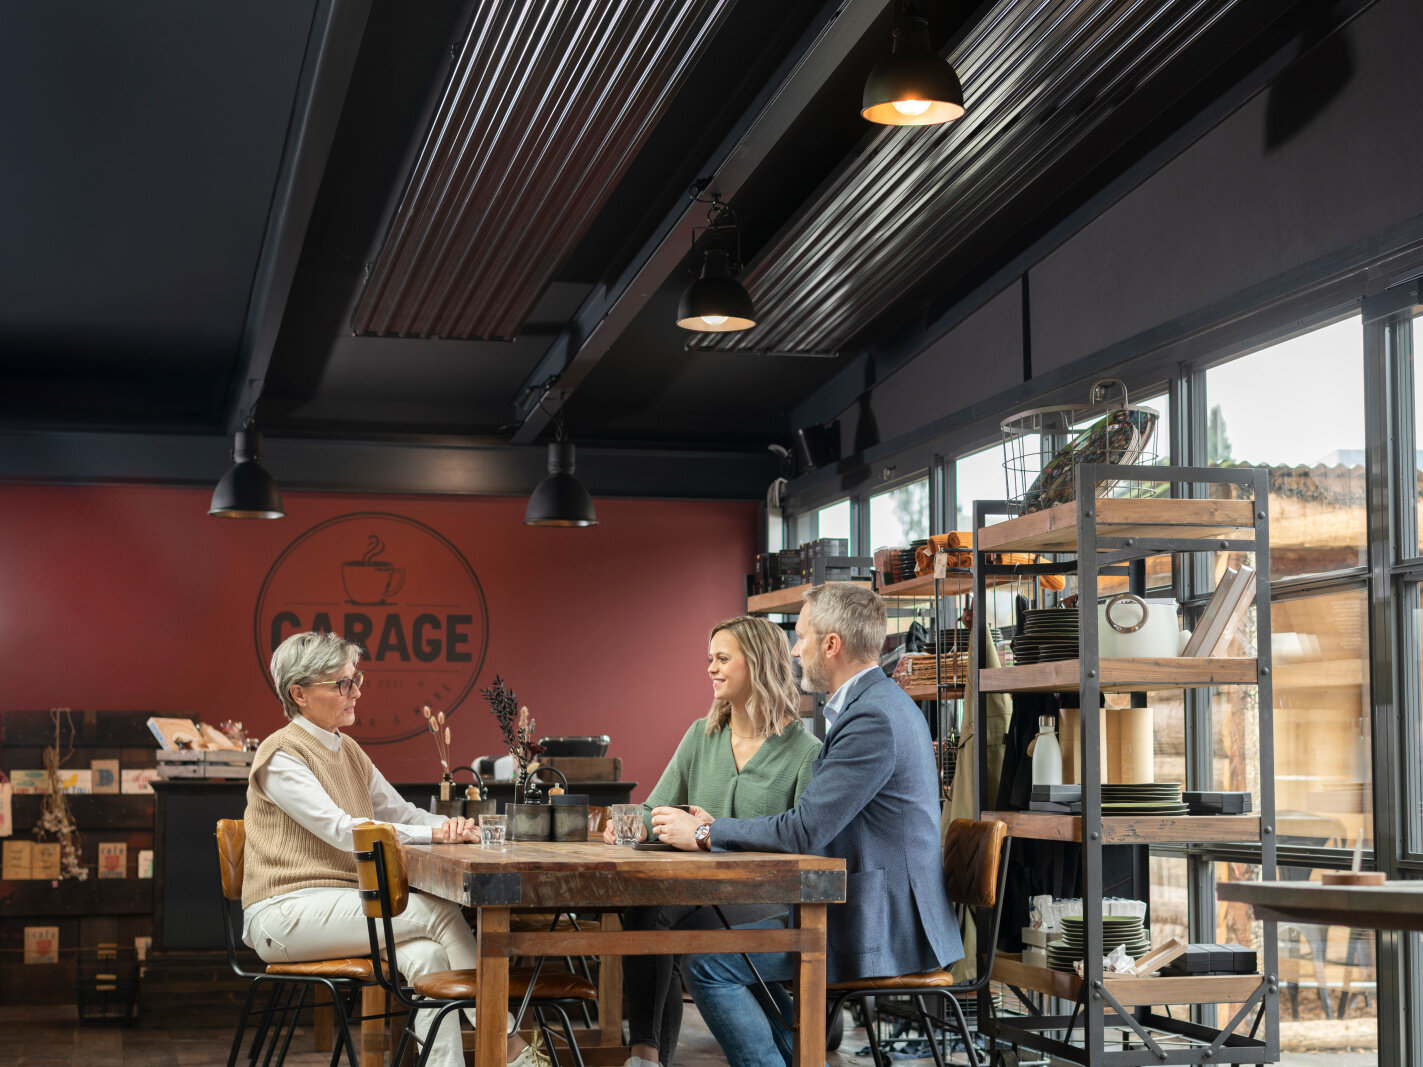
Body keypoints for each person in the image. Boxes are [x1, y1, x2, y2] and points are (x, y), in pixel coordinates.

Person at [650, 584, 963, 1067]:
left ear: (831, 645)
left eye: (801, 637)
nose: (795, 650)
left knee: (708, 965)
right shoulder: (872, 706)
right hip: (863, 906)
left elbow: (804, 830)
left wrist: (709, 834)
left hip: (883, 925)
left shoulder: (872, 719)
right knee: (711, 953)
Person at [242, 630, 546, 1067]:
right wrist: (434, 835)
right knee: (439, 911)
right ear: (299, 693)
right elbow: (342, 829)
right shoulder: (281, 755)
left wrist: (454, 826)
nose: (356, 693)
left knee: (430, 957)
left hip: (343, 906)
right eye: (342, 684)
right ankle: (513, 1048)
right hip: (284, 914)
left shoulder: (348, 750)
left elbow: (402, 813)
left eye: (356, 679)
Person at [604, 615, 821, 1067]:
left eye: (723, 658)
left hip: (764, 898)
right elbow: (652, 807)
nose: (711, 668)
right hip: (696, 892)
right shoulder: (700, 736)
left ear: (758, 664)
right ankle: (646, 1055)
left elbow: (804, 844)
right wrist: (631, 826)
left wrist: (712, 830)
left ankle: (649, 1056)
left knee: (667, 919)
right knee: (650, 905)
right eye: (710, 659)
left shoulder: (805, 752)